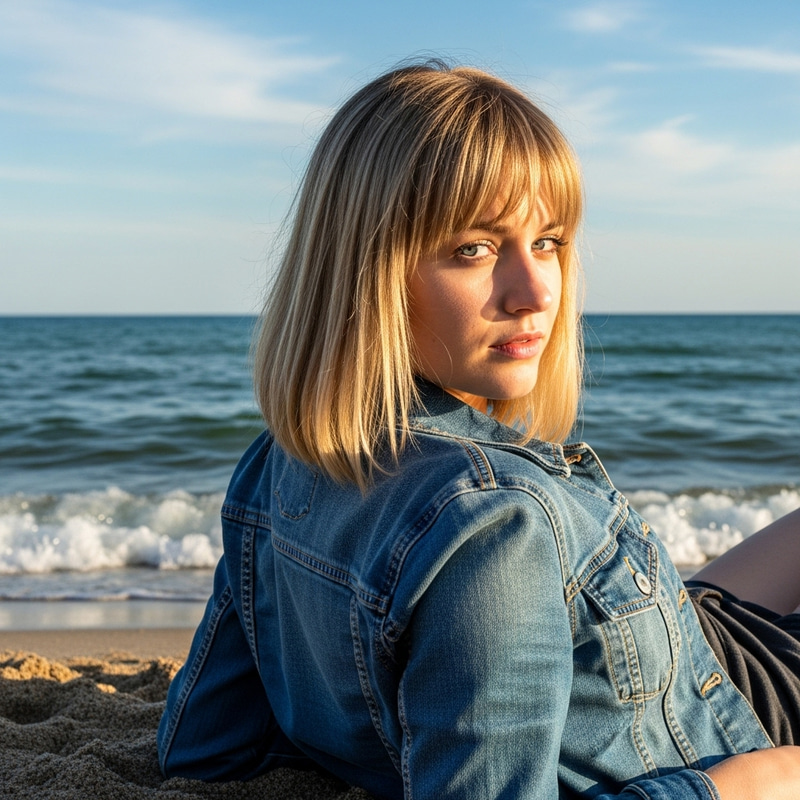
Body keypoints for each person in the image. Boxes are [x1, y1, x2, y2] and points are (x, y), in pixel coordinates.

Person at [157, 60, 800, 799]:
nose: (534, 294)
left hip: (672, 646)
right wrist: (750, 786)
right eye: (475, 249)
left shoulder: (280, 462)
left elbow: (202, 747)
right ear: (370, 270)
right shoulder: (498, 526)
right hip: (733, 719)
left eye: (550, 241)